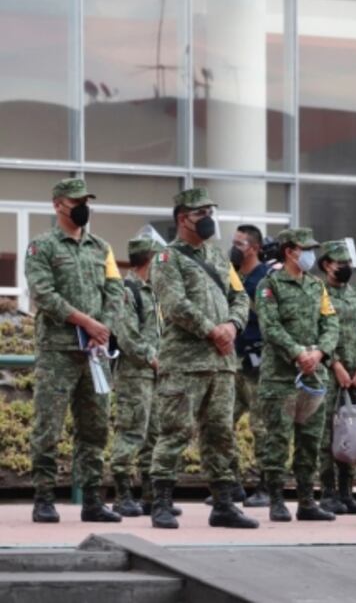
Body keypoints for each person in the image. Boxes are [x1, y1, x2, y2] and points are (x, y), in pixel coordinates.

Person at [148, 187, 256, 529]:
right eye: (201, 213)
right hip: (185, 363)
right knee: (175, 432)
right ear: (183, 218)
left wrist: (232, 326)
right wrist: (213, 331)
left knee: (220, 434)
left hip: (221, 364)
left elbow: (240, 297)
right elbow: (174, 304)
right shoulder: (167, 259)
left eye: (211, 212)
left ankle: (223, 504)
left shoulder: (219, 258)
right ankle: (161, 503)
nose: (209, 219)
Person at [26, 178, 124, 523]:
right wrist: (86, 322)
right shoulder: (42, 246)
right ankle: (43, 498)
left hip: (94, 354)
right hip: (58, 351)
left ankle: (93, 500)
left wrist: (103, 328)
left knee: (95, 428)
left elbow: (115, 291)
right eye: (76, 202)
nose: (83, 207)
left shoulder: (102, 248)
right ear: (58, 205)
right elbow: (43, 294)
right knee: (48, 427)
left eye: (86, 202)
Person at [255, 228, 341, 522]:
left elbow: (331, 324)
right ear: (290, 251)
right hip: (280, 378)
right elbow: (270, 326)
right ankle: (276, 500)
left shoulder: (317, 286)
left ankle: (306, 501)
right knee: (277, 440)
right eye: (306, 249)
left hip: (313, 377)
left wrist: (319, 353)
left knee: (310, 441)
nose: (311, 255)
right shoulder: (270, 285)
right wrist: (297, 353)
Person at [110, 230, 164, 517]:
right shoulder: (127, 291)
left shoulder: (153, 292)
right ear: (149, 259)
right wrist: (152, 358)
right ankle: (122, 495)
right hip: (135, 376)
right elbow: (127, 336)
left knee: (154, 435)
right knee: (131, 432)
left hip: (155, 376)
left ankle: (151, 495)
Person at [317, 239, 356, 516]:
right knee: (327, 433)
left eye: (348, 262)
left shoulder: (355, 295)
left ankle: (347, 492)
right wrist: (335, 364)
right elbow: (316, 332)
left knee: (352, 430)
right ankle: (328, 492)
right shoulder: (318, 293)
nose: (346, 267)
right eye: (340, 263)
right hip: (328, 373)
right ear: (327, 265)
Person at [228, 224, 270, 507]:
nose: (234, 248)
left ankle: (266, 486)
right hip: (233, 362)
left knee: (261, 427)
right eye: (234, 242)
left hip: (258, 365)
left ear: (254, 248)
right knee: (220, 423)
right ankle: (231, 484)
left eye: (240, 244)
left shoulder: (265, 279)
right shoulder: (232, 276)